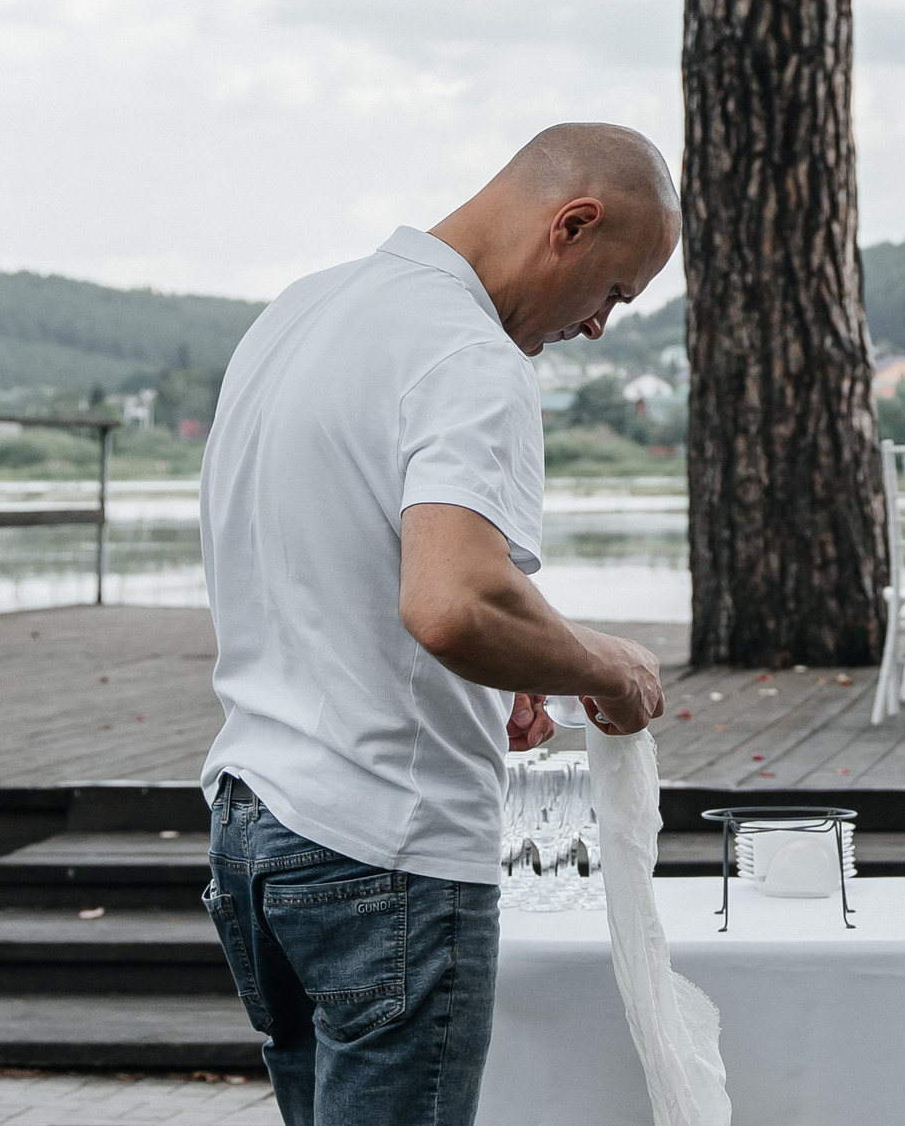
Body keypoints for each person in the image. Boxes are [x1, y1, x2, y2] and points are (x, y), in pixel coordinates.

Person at [199, 124, 679, 1126]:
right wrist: (609, 666)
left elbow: (341, 554)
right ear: (572, 224)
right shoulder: (470, 353)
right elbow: (452, 601)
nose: (598, 325)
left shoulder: (304, 310)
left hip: (255, 829)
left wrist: (519, 655)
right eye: (615, 292)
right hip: (383, 845)